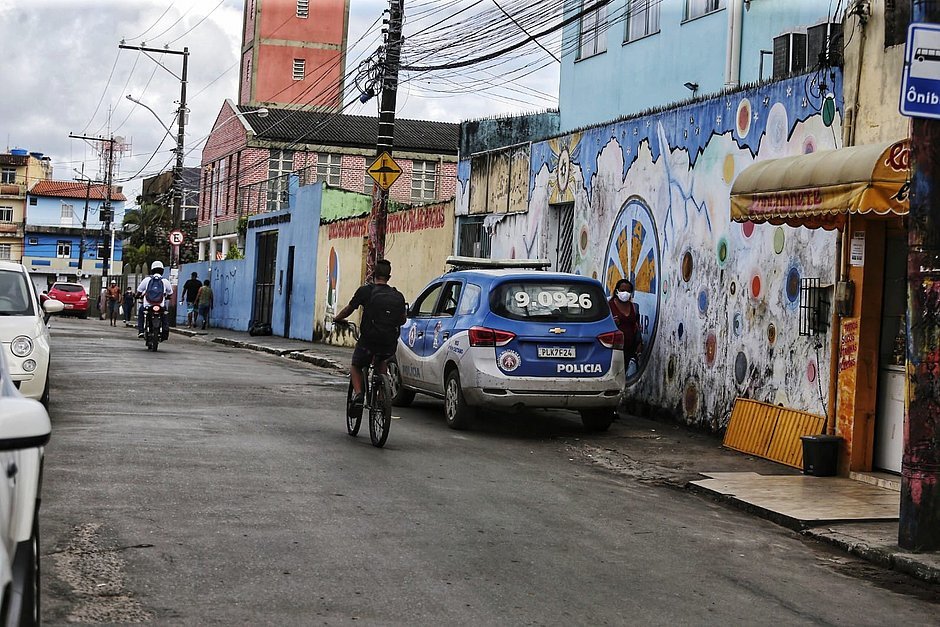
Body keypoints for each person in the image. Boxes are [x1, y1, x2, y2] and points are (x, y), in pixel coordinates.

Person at [332, 259, 407, 411]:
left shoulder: (365, 291)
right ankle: (381, 397)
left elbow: (349, 309)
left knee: (356, 365)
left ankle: (359, 395)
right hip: (388, 343)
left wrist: (338, 319)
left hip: (368, 342)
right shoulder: (397, 295)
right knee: (381, 361)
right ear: (389, 277)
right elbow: (403, 320)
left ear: (373, 274)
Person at [609, 278, 642, 369]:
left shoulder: (634, 307)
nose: (625, 293)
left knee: (625, 370)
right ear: (617, 291)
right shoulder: (609, 306)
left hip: (629, 348)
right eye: (622, 290)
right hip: (614, 347)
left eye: (628, 291)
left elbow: (637, 327)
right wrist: (612, 323)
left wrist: (639, 344)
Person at [135, 261, 173, 340]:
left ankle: (141, 330)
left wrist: (137, 296)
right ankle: (165, 331)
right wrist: (167, 297)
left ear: (152, 270)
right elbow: (170, 293)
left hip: (147, 305)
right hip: (160, 305)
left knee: (141, 311)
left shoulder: (147, 280)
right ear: (162, 271)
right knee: (165, 315)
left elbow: (139, 291)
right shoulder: (165, 281)